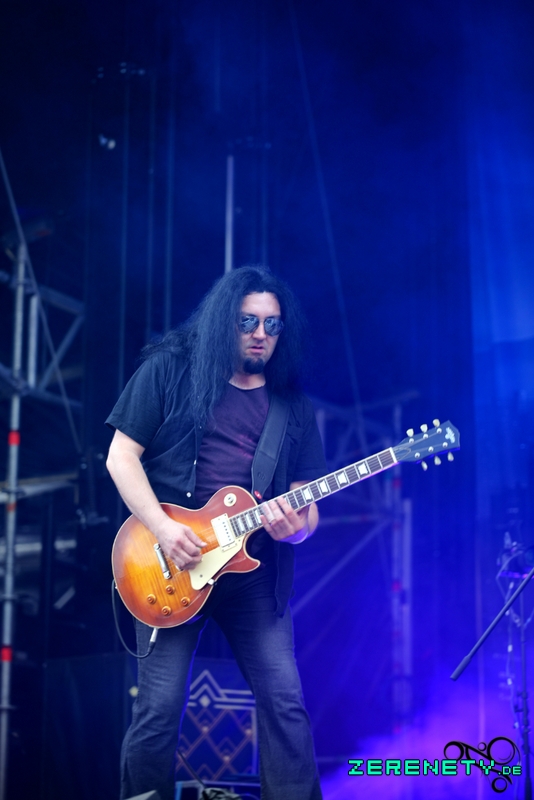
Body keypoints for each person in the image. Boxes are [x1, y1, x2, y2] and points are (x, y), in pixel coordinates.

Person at [106, 266, 326, 800]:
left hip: (254, 576)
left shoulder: (293, 406)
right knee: (158, 708)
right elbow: (120, 457)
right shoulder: (170, 370)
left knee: (285, 702)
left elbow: (307, 510)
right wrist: (163, 528)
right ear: (224, 319)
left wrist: (293, 531)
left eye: (272, 325)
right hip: (171, 564)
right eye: (248, 321)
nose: (260, 334)